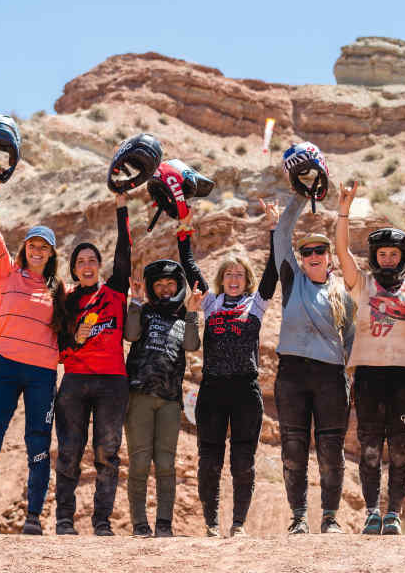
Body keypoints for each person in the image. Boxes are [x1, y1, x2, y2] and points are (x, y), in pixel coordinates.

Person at [334, 180, 405, 535]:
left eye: (394, 254)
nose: (388, 259)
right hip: (367, 374)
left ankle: (393, 513)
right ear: (374, 257)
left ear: (403, 257)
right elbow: (341, 252)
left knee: (399, 448)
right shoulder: (362, 283)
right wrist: (344, 208)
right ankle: (370, 512)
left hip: (404, 376)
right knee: (368, 447)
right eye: (382, 254)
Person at [0, 174, 67, 535]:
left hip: (41, 372)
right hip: (5, 366)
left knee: (38, 442)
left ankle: (34, 518)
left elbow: (70, 331)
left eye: (44, 247)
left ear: (52, 253)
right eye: (32, 245)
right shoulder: (7, 272)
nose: (37, 251)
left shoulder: (59, 290)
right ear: (24, 249)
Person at [273, 143, 356, 535]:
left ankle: (330, 518)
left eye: (321, 251)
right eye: (308, 252)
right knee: (292, 448)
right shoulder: (292, 282)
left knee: (330, 450)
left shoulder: (342, 291)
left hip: (330, 375)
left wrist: (348, 374)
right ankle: (299, 518)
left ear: (329, 256)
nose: (314, 256)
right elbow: (282, 235)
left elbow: (352, 336)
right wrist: (300, 192)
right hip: (291, 373)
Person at [194, 200, 280, 538]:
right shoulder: (210, 302)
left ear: (246, 280)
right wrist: (185, 230)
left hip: (245, 390)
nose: (233, 278)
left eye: (239, 274)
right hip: (213, 388)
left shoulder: (255, 304)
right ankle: (212, 523)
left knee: (243, 462)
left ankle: (239, 524)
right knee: (209, 461)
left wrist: (274, 228)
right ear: (221, 278)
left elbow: (274, 269)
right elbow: (189, 265)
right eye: (228, 274)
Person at [53, 185, 134, 536]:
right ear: (74, 268)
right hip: (73, 382)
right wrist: (75, 339)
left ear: (100, 266)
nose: (87, 266)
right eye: (80, 261)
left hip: (112, 382)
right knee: (70, 452)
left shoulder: (115, 292)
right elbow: (56, 345)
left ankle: (101, 523)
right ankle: (64, 520)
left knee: (107, 453)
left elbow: (125, 252)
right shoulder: (66, 299)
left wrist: (121, 208)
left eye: (92, 261)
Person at [124, 216, 206, 537]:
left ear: (178, 287)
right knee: (140, 463)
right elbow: (131, 336)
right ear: (152, 288)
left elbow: (192, 345)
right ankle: (139, 524)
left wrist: (192, 311)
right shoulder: (143, 312)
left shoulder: (182, 317)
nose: (165, 288)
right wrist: (134, 301)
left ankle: (164, 525)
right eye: (159, 285)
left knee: (167, 465)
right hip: (139, 396)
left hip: (171, 401)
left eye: (170, 284)